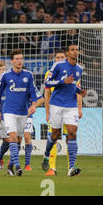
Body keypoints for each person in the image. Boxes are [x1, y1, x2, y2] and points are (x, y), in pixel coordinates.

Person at [42, 44, 87, 177]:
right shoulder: (58, 66)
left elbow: (73, 86)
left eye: (77, 50)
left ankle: (71, 167)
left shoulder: (79, 69)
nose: (75, 52)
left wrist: (80, 91)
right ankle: (46, 154)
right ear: (68, 53)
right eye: (72, 50)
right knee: (55, 135)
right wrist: (62, 81)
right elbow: (47, 83)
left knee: (72, 133)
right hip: (56, 104)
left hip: (71, 105)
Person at [0, 49, 38, 177]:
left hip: (23, 112)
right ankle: (18, 166)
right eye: (17, 59)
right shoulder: (6, 76)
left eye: (21, 58)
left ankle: (9, 167)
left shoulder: (29, 75)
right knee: (12, 138)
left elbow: (33, 93)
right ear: (12, 61)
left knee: (19, 140)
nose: (19, 61)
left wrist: (34, 105)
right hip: (9, 111)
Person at [43, 49, 70, 176]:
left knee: (70, 139)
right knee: (53, 138)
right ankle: (52, 168)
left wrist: (79, 110)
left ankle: (71, 167)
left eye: (62, 57)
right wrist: (47, 112)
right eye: (57, 57)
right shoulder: (49, 73)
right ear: (54, 59)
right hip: (54, 110)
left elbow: (78, 93)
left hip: (69, 109)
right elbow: (47, 93)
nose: (60, 59)